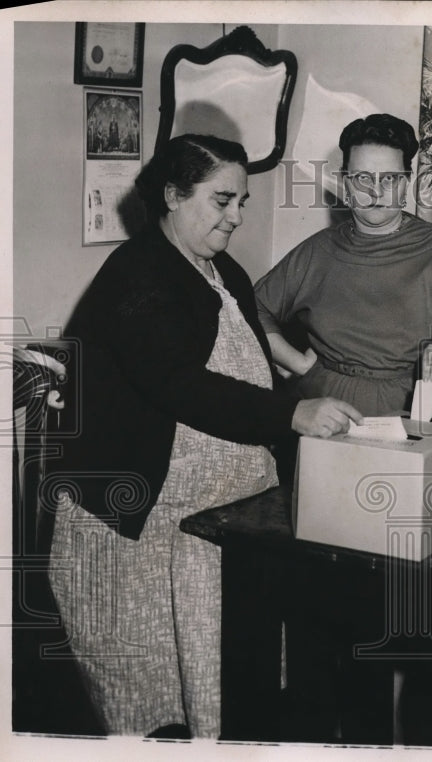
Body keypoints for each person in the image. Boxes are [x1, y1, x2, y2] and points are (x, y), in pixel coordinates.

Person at [47, 134, 362, 738]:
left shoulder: (218, 268)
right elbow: (176, 382)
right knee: (156, 698)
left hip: (218, 520)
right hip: (139, 525)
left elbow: (243, 347)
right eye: (222, 201)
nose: (237, 217)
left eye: (242, 201)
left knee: (230, 676)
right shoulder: (137, 273)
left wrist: (298, 381)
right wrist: (290, 416)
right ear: (172, 195)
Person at [255, 113, 432, 416]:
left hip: (413, 407)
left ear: (406, 182)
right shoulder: (318, 250)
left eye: (389, 178)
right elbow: (252, 308)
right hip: (326, 408)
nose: (376, 192)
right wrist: (297, 363)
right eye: (363, 178)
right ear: (345, 181)